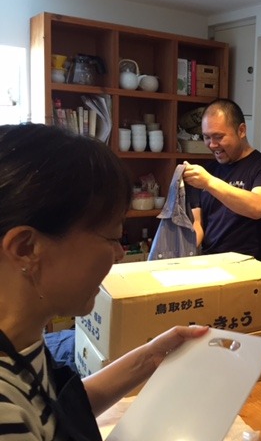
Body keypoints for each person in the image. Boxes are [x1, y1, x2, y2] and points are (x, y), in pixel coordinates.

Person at [0, 123, 208, 440]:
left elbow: (55, 410)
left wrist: (151, 357)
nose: (119, 254)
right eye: (112, 237)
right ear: (26, 248)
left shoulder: (20, 339)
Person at [182, 98, 261, 268]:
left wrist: (209, 182)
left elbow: (257, 207)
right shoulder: (207, 171)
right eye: (206, 137)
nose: (212, 145)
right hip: (212, 266)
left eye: (219, 137)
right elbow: (197, 224)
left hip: (254, 269)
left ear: (241, 130)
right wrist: (182, 251)